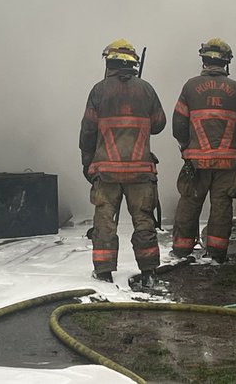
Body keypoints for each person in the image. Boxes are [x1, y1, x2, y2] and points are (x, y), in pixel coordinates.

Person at [79, 38, 166, 286]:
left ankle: (104, 271)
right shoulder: (146, 89)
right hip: (140, 171)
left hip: (106, 172)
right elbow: (159, 124)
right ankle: (149, 271)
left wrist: (87, 162)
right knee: (144, 220)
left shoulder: (98, 90)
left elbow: (87, 131)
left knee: (105, 220)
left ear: (110, 63)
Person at [171, 38, 236, 264]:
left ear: (204, 60)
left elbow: (178, 125)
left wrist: (186, 148)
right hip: (228, 163)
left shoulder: (190, 87)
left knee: (190, 201)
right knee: (221, 205)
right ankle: (217, 254)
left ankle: (181, 250)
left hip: (196, 163)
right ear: (226, 63)